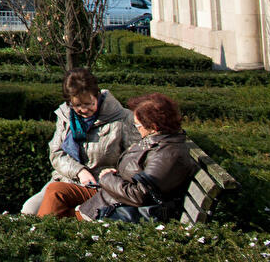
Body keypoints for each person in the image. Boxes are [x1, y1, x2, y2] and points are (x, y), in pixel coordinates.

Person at [37, 93, 194, 221]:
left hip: (117, 206)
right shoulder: (158, 142)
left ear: (154, 127)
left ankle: (40, 241)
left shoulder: (167, 155)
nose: (137, 129)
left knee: (60, 214)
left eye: (138, 126)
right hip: (111, 195)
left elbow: (139, 195)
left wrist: (109, 178)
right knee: (56, 190)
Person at [23, 68, 139, 215]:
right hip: (67, 179)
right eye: (77, 105)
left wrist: (115, 175)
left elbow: (133, 157)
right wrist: (79, 171)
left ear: (97, 96)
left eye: (89, 103)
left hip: (101, 186)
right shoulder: (65, 116)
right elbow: (56, 152)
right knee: (29, 210)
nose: (84, 110)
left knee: (65, 211)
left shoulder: (122, 119)